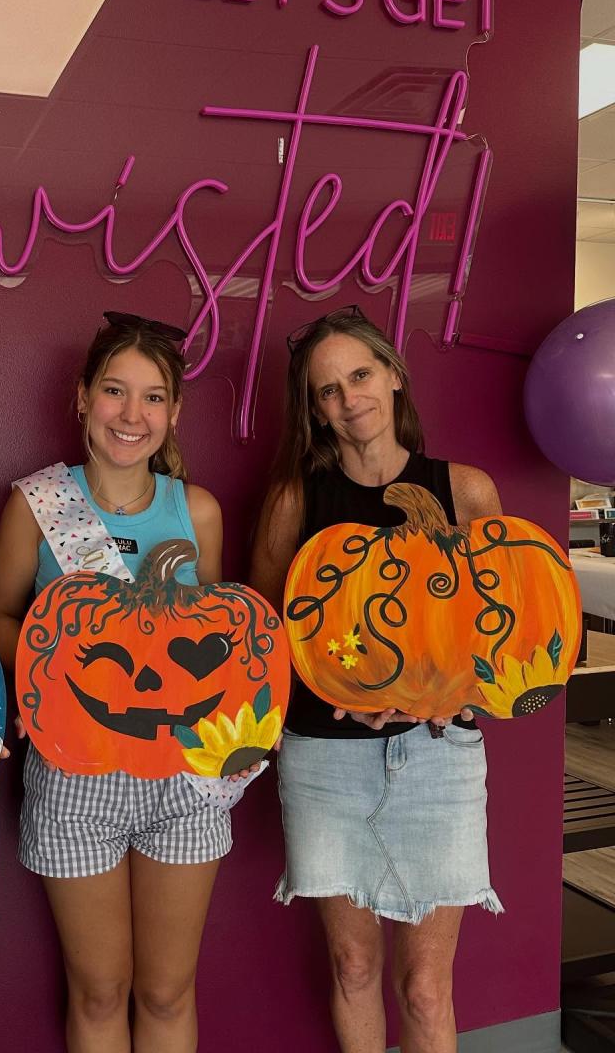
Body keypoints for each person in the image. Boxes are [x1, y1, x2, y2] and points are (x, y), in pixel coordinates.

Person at [249, 306, 503, 1053]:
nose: (348, 398)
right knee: (353, 963)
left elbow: (508, 638)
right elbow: (261, 640)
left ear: (393, 376)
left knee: (426, 987)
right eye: (327, 390)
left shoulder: (466, 492)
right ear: (315, 411)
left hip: (439, 758)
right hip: (325, 759)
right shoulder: (297, 500)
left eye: (359, 375)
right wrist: (337, 689)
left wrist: (443, 692)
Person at [0, 311, 225, 1053]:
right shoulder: (35, 503)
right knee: (99, 989)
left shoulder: (199, 511)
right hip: (74, 772)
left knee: (165, 990)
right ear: (83, 397)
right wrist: (54, 676)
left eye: (154, 397)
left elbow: (219, 642)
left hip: (181, 777)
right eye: (116, 391)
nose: (133, 413)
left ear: (174, 412)